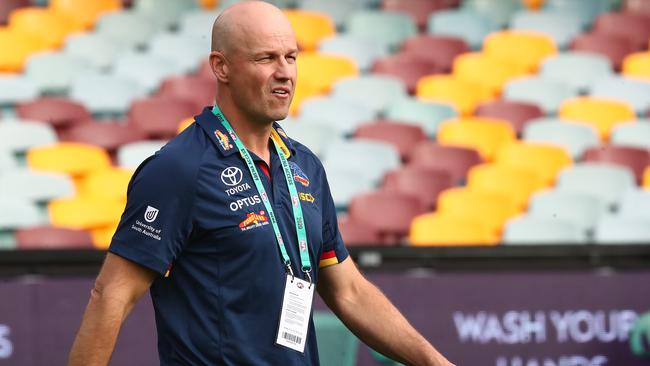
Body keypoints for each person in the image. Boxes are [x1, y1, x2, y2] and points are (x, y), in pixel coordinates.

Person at [68, 2, 455, 365]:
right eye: (266, 58)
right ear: (221, 67)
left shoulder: (304, 166)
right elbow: (111, 296)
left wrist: (433, 362)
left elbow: (349, 291)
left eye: (291, 57)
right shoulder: (177, 169)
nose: (285, 71)